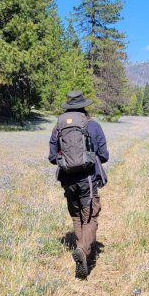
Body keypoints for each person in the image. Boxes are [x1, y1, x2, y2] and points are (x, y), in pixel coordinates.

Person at [48, 91, 109, 279]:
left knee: (76, 216)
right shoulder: (93, 125)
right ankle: (83, 250)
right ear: (84, 107)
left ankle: (81, 249)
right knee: (90, 216)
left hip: (67, 180)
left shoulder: (58, 127)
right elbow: (105, 155)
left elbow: (52, 158)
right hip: (88, 180)